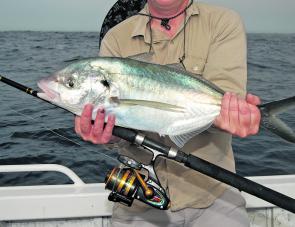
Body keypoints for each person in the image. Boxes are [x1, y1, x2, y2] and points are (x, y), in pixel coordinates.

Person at [75, 0, 261, 226]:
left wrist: (235, 116)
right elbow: (119, 124)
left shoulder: (221, 23)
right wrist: (108, 134)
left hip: (214, 192)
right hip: (141, 196)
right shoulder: (116, 38)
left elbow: (228, 99)